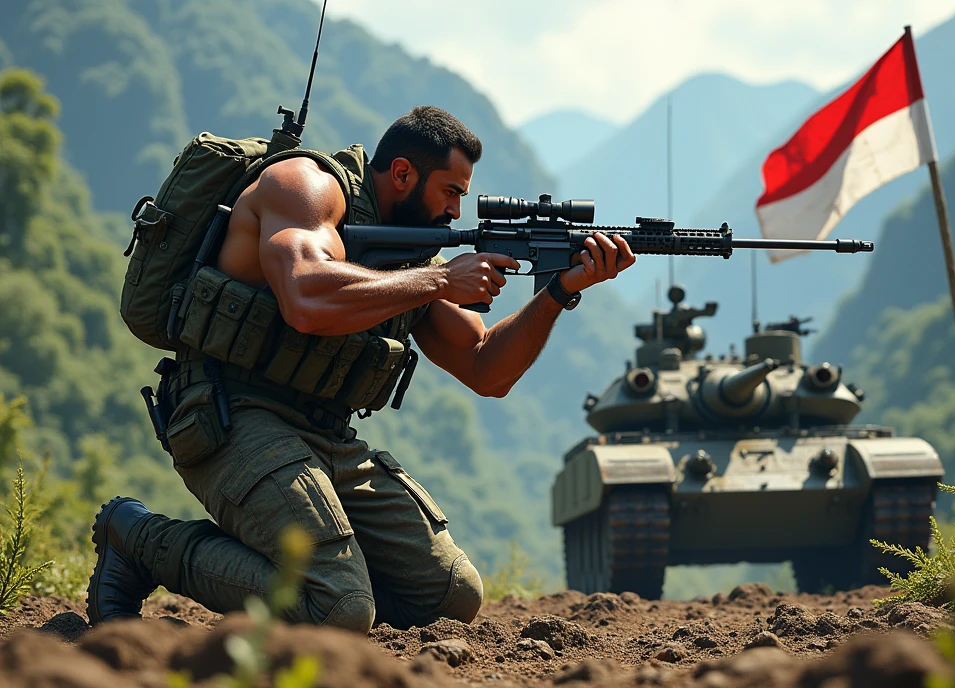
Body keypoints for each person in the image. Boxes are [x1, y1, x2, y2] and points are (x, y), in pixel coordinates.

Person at [87, 106, 636, 633]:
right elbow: (304, 295)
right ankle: (138, 539)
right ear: (402, 173)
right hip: (230, 415)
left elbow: (485, 368)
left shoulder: (414, 259)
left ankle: (324, 585)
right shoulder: (305, 187)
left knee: (450, 596)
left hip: (326, 436)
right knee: (338, 608)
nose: (455, 213)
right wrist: (442, 281)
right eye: (450, 192)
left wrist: (559, 292)